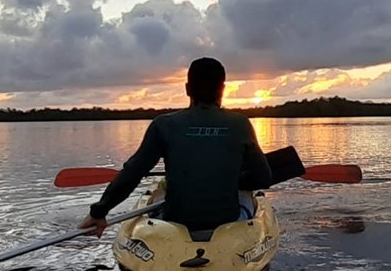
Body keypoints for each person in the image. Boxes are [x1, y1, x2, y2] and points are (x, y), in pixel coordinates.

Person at [80, 58, 272, 236]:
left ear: (187, 89)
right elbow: (263, 178)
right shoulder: (240, 124)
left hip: (177, 221)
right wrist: (231, 180)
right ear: (222, 89)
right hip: (226, 220)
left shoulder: (164, 124)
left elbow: (133, 173)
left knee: (159, 197)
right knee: (247, 196)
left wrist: (99, 211)